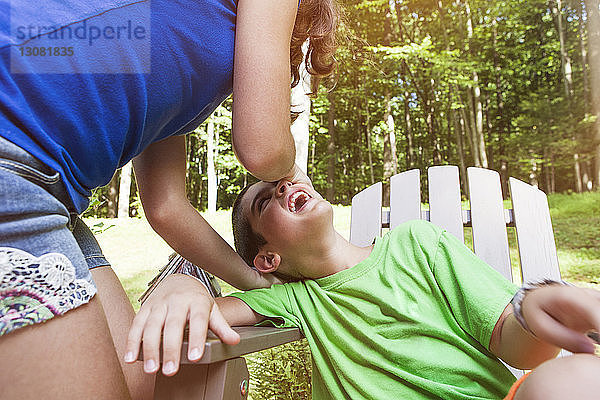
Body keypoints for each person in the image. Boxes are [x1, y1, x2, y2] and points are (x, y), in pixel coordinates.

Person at [0, 0, 340, 398]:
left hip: (55, 190)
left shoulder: (170, 45)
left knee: (139, 381)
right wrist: (290, 172)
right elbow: (264, 150)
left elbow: (166, 206)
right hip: (15, 153)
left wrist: (257, 284)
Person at [127, 177, 600, 399]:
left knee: (573, 380)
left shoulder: (417, 244)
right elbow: (211, 313)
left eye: (281, 181)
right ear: (269, 258)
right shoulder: (296, 300)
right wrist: (185, 287)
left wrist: (537, 308)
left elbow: (517, 348)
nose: (282, 187)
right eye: (264, 201)